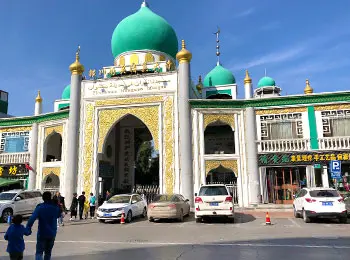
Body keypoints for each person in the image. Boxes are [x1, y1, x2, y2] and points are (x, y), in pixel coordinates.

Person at [26, 191, 60, 260]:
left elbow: (32, 218)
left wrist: (28, 228)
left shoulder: (40, 207)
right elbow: (59, 215)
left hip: (42, 233)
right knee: (48, 253)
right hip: (52, 233)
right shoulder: (55, 207)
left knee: (39, 252)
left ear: (43, 198)